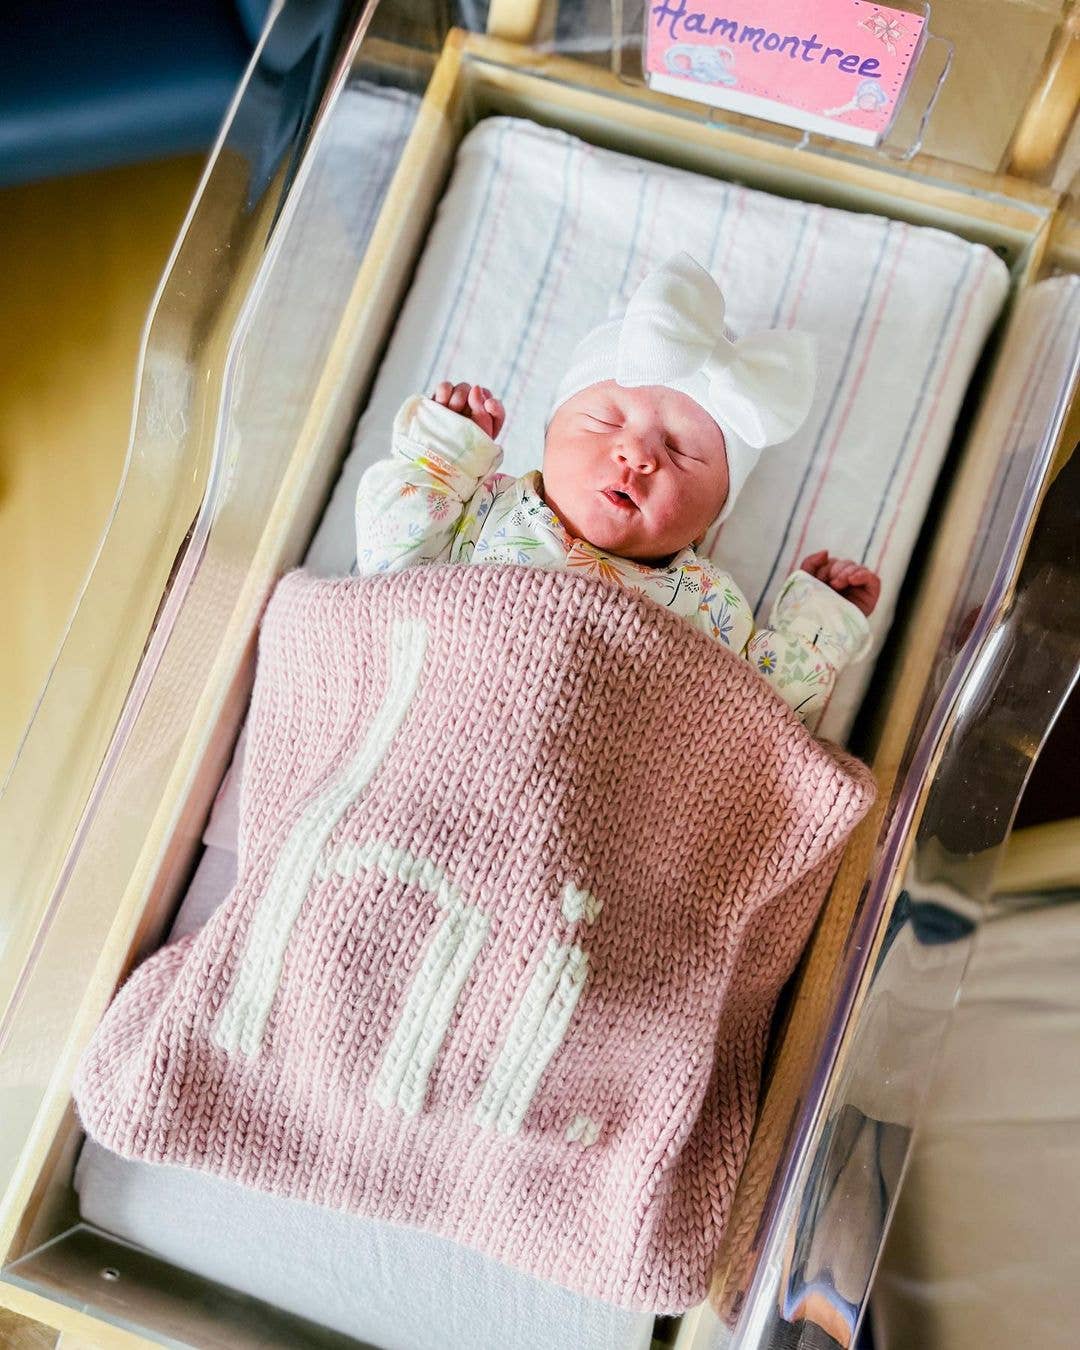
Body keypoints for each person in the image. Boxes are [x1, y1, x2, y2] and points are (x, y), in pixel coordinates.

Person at [355, 252, 881, 731]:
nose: (637, 454)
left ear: (709, 519)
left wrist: (820, 621)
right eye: (606, 421)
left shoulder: (711, 606)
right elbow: (389, 566)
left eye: (680, 453)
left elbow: (766, 710)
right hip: (435, 716)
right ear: (547, 439)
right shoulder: (484, 508)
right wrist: (440, 456)